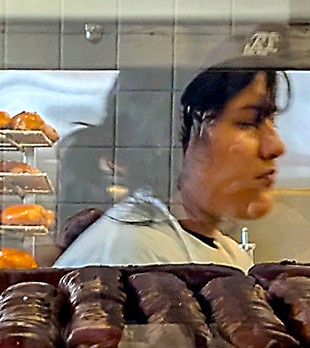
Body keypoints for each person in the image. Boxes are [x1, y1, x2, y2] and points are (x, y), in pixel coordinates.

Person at [53, 65, 286, 268]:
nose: (275, 146)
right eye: (246, 123)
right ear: (166, 140)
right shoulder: (127, 255)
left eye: (272, 121)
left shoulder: (231, 254)